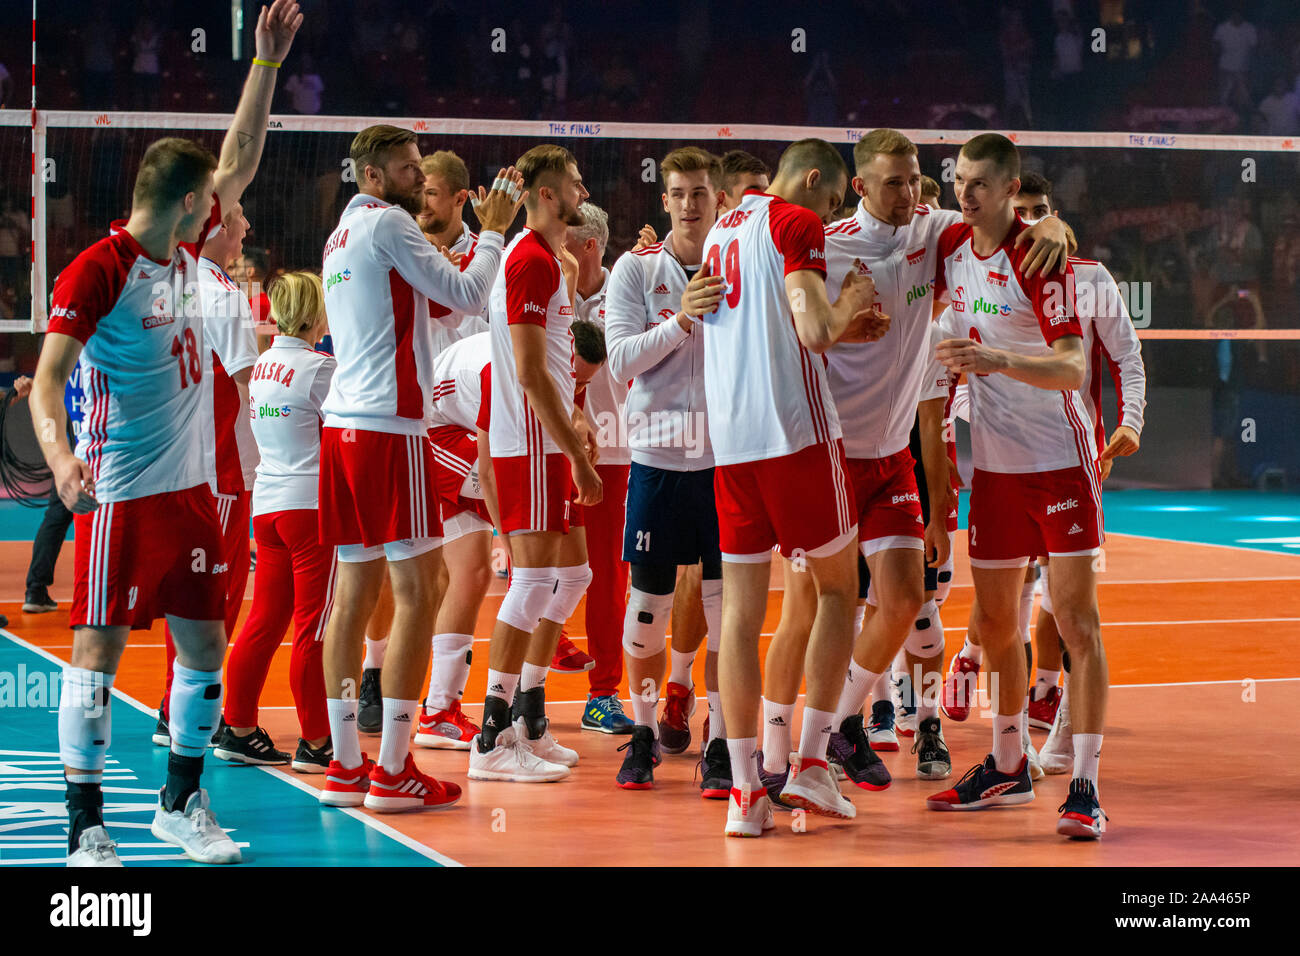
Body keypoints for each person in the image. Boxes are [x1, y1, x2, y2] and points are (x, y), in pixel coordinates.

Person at [27, 0, 302, 867]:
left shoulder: (187, 262)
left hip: (194, 494)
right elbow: (46, 381)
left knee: (204, 647)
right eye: (210, 209)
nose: (220, 217)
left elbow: (242, 156)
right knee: (97, 657)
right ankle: (85, 826)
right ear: (188, 207)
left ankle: (181, 804)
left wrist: (264, 64)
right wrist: (62, 457)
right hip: (121, 492)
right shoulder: (97, 270)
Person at [315, 124, 524, 812]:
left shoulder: (342, 235)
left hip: (342, 425)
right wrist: (493, 231)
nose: (417, 178)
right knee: (422, 586)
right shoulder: (386, 226)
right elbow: (467, 294)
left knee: (351, 600)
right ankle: (397, 767)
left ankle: (346, 766)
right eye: (407, 168)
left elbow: (424, 300)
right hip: (389, 425)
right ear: (373, 175)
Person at [700, 138, 886, 836]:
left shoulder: (723, 227)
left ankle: (746, 793)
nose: (831, 215)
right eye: (834, 200)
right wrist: (850, 303)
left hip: (733, 448)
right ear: (814, 181)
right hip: (798, 438)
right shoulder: (794, 221)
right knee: (841, 589)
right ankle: (810, 762)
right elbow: (813, 330)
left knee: (742, 620)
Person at [927, 133, 1108, 840]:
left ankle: (1087, 786)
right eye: (959, 181)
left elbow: (1071, 367)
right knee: (996, 625)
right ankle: (1008, 763)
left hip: (1061, 460)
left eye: (979, 184)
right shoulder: (949, 246)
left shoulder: (1040, 257)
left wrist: (989, 358)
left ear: (1009, 189)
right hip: (996, 471)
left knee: (1075, 624)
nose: (964, 195)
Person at [467, 144, 602, 783]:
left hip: (545, 437)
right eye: (573, 183)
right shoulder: (529, 261)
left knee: (574, 576)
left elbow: (548, 364)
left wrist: (577, 416)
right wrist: (575, 456)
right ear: (547, 194)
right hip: (529, 444)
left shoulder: (553, 261)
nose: (582, 190)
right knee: (530, 583)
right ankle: (491, 738)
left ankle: (529, 716)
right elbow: (525, 372)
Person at [354, 149, 492, 733]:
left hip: (471, 418)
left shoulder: (492, 255)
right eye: (418, 186)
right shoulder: (396, 243)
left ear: (461, 198)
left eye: (431, 191)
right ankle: (376, 675)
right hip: (420, 420)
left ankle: (440, 700)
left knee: (471, 569)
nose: (420, 199)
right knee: (411, 567)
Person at [604, 148, 726, 790]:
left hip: (724, 460)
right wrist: (682, 319)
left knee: (725, 607)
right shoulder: (635, 268)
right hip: (655, 458)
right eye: (678, 193)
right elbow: (620, 360)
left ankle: (721, 738)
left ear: (717, 197)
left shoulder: (739, 264)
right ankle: (645, 732)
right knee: (646, 611)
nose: (688, 204)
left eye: (699, 192)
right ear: (664, 198)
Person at [154, 199, 262, 754]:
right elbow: (250, 386)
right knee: (216, 598)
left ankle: (174, 705)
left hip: (187, 461)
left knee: (193, 590)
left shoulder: (176, 282)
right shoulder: (220, 292)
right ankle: (201, 715)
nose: (247, 226)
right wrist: (273, 457)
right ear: (216, 228)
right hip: (222, 466)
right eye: (240, 217)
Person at [219, 272, 336, 771]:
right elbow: (346, 435)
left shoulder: (263, 365)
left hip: (266, 507)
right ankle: (317, 742)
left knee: (264, 620)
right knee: (314, 627)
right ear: (312, 315)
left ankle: (237, 723)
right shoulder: (319, 368)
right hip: (309, 510)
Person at [562, 203, 630, 713]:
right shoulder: (546, 283)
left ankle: (603, 694)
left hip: (612, 452)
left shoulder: (627, 287)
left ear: (589, 245)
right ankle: (525, 692)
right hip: (548, 447)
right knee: (537, 570)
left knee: (608, 578)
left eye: (564, 242)